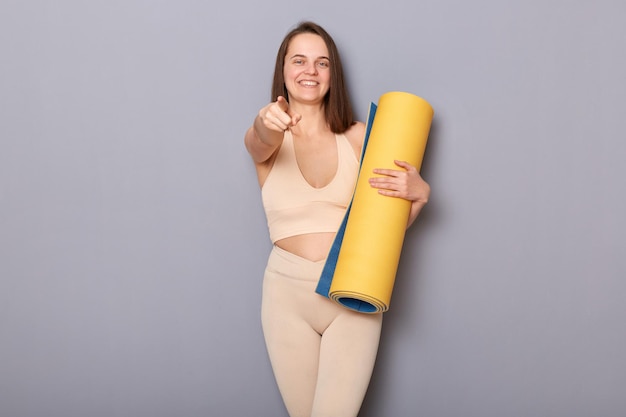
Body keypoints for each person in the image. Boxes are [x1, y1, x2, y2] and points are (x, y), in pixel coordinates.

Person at [244, 21, 431, 417]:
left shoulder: (361, 137)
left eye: (321, 63)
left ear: (333, 73)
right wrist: (266, 120)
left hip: (349, 290)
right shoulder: (267, 137)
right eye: (299, 60)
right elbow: (260, 138)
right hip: (285, 297)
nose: (310, 71)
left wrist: (418, 197)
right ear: (283, 70)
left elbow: (383, 228)